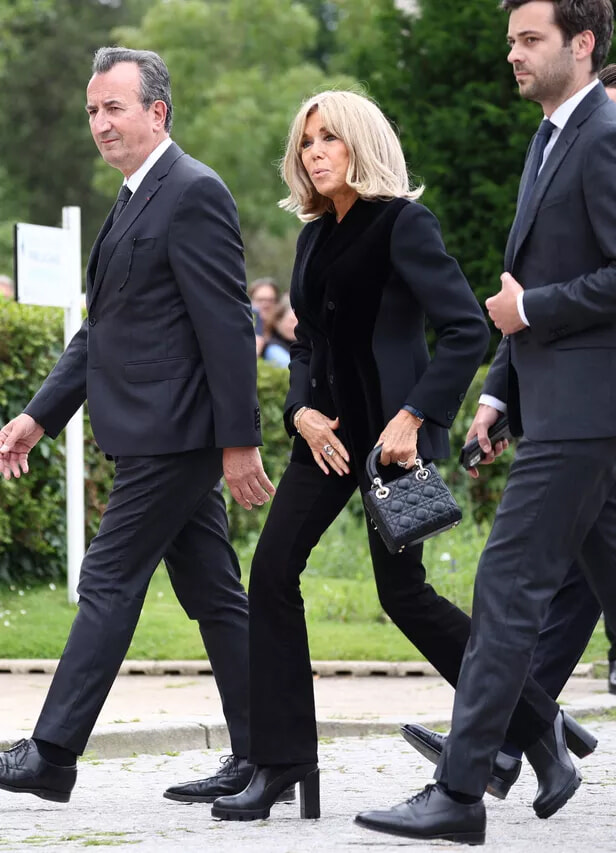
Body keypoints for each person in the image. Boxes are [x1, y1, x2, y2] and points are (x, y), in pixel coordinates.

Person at [208, 88, 576, 825]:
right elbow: (305, 343)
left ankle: (540, 726)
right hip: (327, 440)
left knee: (404, 597)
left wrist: (414, 416)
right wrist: (299, 410)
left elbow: (466, 328)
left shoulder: (405, 223)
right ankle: (282, 760)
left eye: (329, 138)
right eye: (306, 142)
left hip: (392, 448)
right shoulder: (314, 237)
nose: (314, 153)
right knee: (271, 572)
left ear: (362, 143)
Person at [356, 0, 616, 844]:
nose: (514, 54)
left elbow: (545, 295)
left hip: (586, 414)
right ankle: (496, 760)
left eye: (530, 39)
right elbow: (524, 286)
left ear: (583, 44)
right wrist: (500, 392)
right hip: (562, 406)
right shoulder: (551, 137)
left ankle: (461, 790)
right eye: (511, 41)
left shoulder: (603, 135)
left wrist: (530, 312)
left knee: (504, 587)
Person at [0, 46, 275, 805]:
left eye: (113, 107)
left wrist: (240, 441)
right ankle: (268, 755)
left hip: (174, 436)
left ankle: (52, 753)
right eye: (92, 110)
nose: (100, 122)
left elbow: (228, 325)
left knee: (107, 579)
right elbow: (103, 330)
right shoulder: (133, 198)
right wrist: (37, 417)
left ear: (158, 111)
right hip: (156, 434)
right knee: (216, 595)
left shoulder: (193, 191)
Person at [262, 294, 297, 368]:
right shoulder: (273, 348)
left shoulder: (301, 344)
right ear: (277, 322)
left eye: (299, 321)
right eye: (292, 321)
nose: (296, 326)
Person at [248, 277, 281, 357]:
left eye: (270, 300)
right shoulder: (243, 332)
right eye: (260, 300)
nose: (265, 305)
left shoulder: (284, 332)